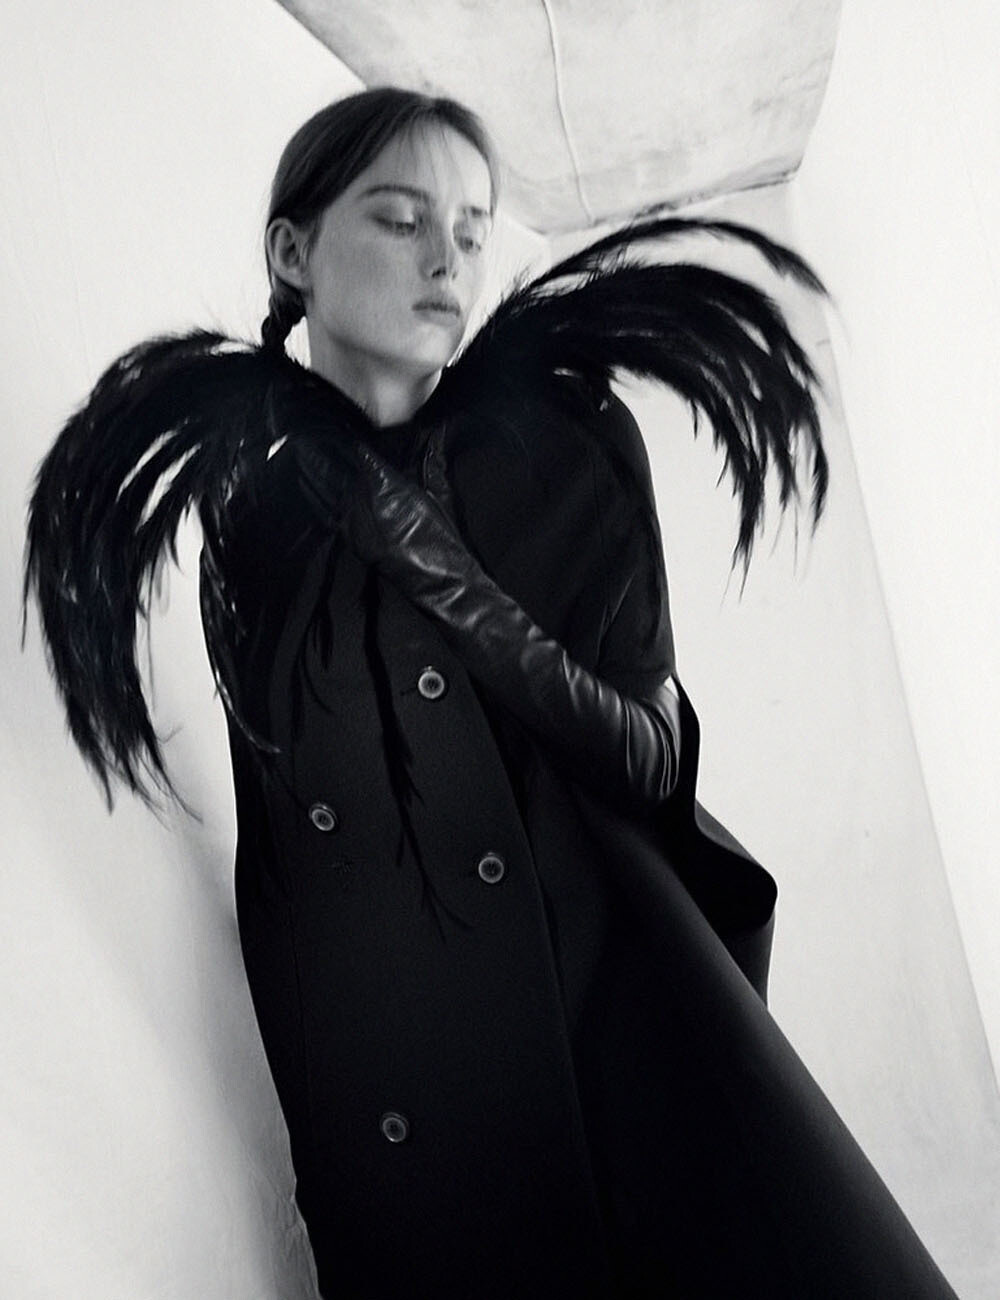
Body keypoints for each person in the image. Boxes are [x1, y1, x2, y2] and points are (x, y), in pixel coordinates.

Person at [23, 88, 958, 1298]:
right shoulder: (251, 515)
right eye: (402, 218)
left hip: (601, 1033)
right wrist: (325, 1144)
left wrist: (435, 565)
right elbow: (287, 852)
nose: (447, 259)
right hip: (408, 1095)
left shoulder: (567, 440)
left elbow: (651, 760)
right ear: (292, 252)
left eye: (470, 229)